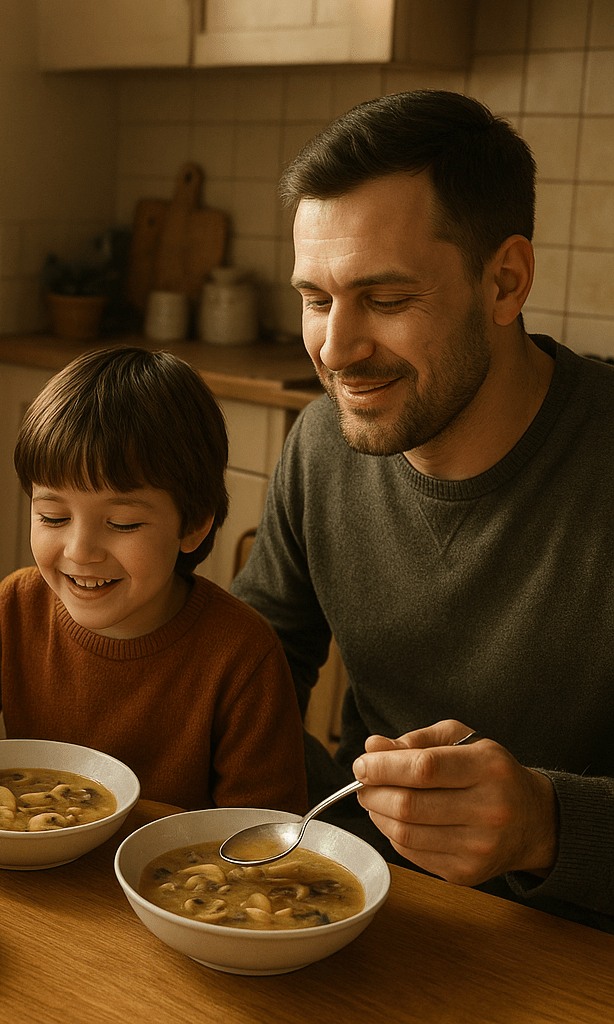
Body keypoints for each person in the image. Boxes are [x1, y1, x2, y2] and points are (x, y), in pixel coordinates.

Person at [231, 89, 614, 931]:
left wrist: (546, 823)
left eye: (387, 299)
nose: (335, 351)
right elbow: (248, 667)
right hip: (364, 899)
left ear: (505, 280)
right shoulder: (321, 447)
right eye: (317, 299)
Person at [0, 347, 307, 812]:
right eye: (53, 517)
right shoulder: (17, 608)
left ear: (193, 525)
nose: (80, 551)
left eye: (123, 524)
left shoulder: (242, 654)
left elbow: (265, 836)